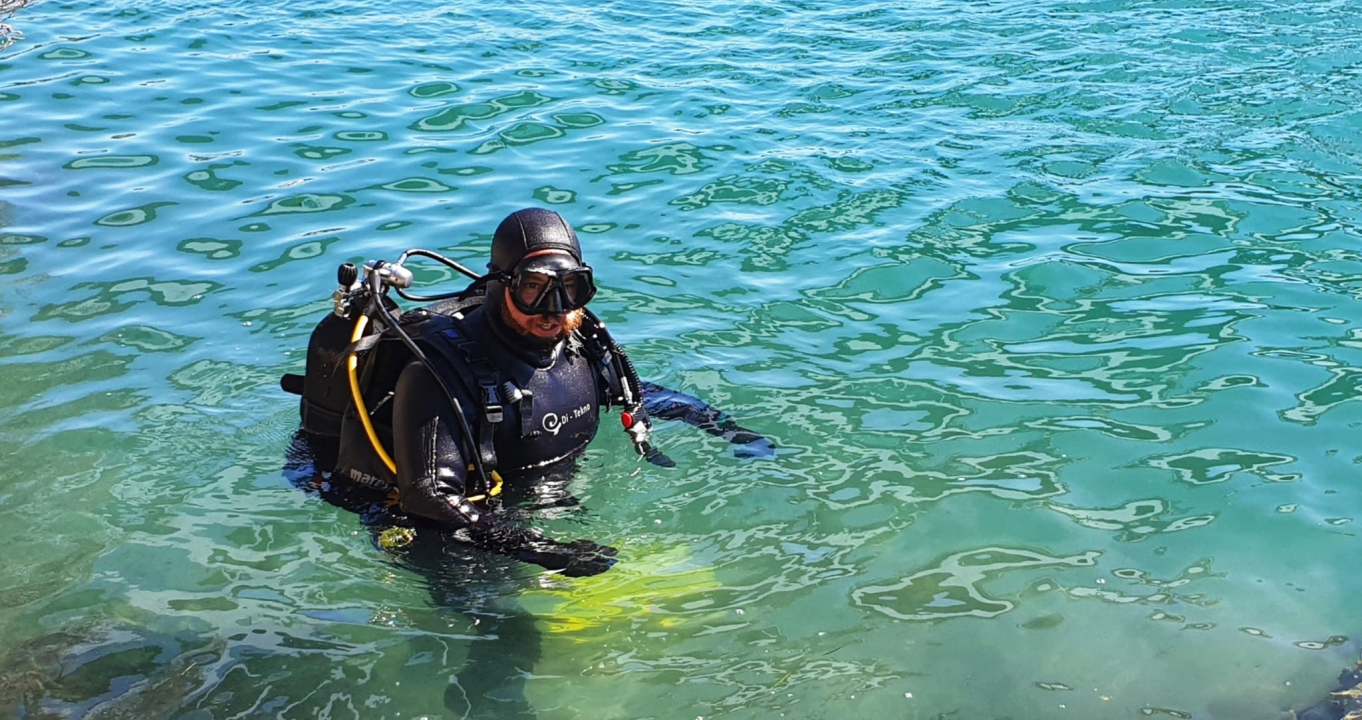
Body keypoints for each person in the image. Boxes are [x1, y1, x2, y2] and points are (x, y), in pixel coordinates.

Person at [282, 207, 772, 577]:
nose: (555, 309)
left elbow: (639, 393)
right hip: (423, 522)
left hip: (526, 505)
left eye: (572, 290)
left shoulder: (579, 340)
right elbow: (429, 496)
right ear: (501, 285)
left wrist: (723, 427)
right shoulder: (437, 373)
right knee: (496, 624)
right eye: (535, 289)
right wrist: (542, 551)